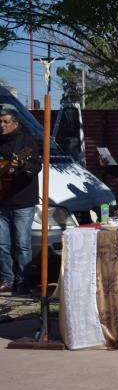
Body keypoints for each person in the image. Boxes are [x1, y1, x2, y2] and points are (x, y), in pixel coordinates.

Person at [0, 107, 41, 294]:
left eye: (5, 122)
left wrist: (23, 164)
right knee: (2, 243)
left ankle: (24, 281)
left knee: (22, 244)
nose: (1, 125)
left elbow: (36, 165)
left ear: (15, 123)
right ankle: (7, 280)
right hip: (2, 201)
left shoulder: (26, 141)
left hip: (22, 201)